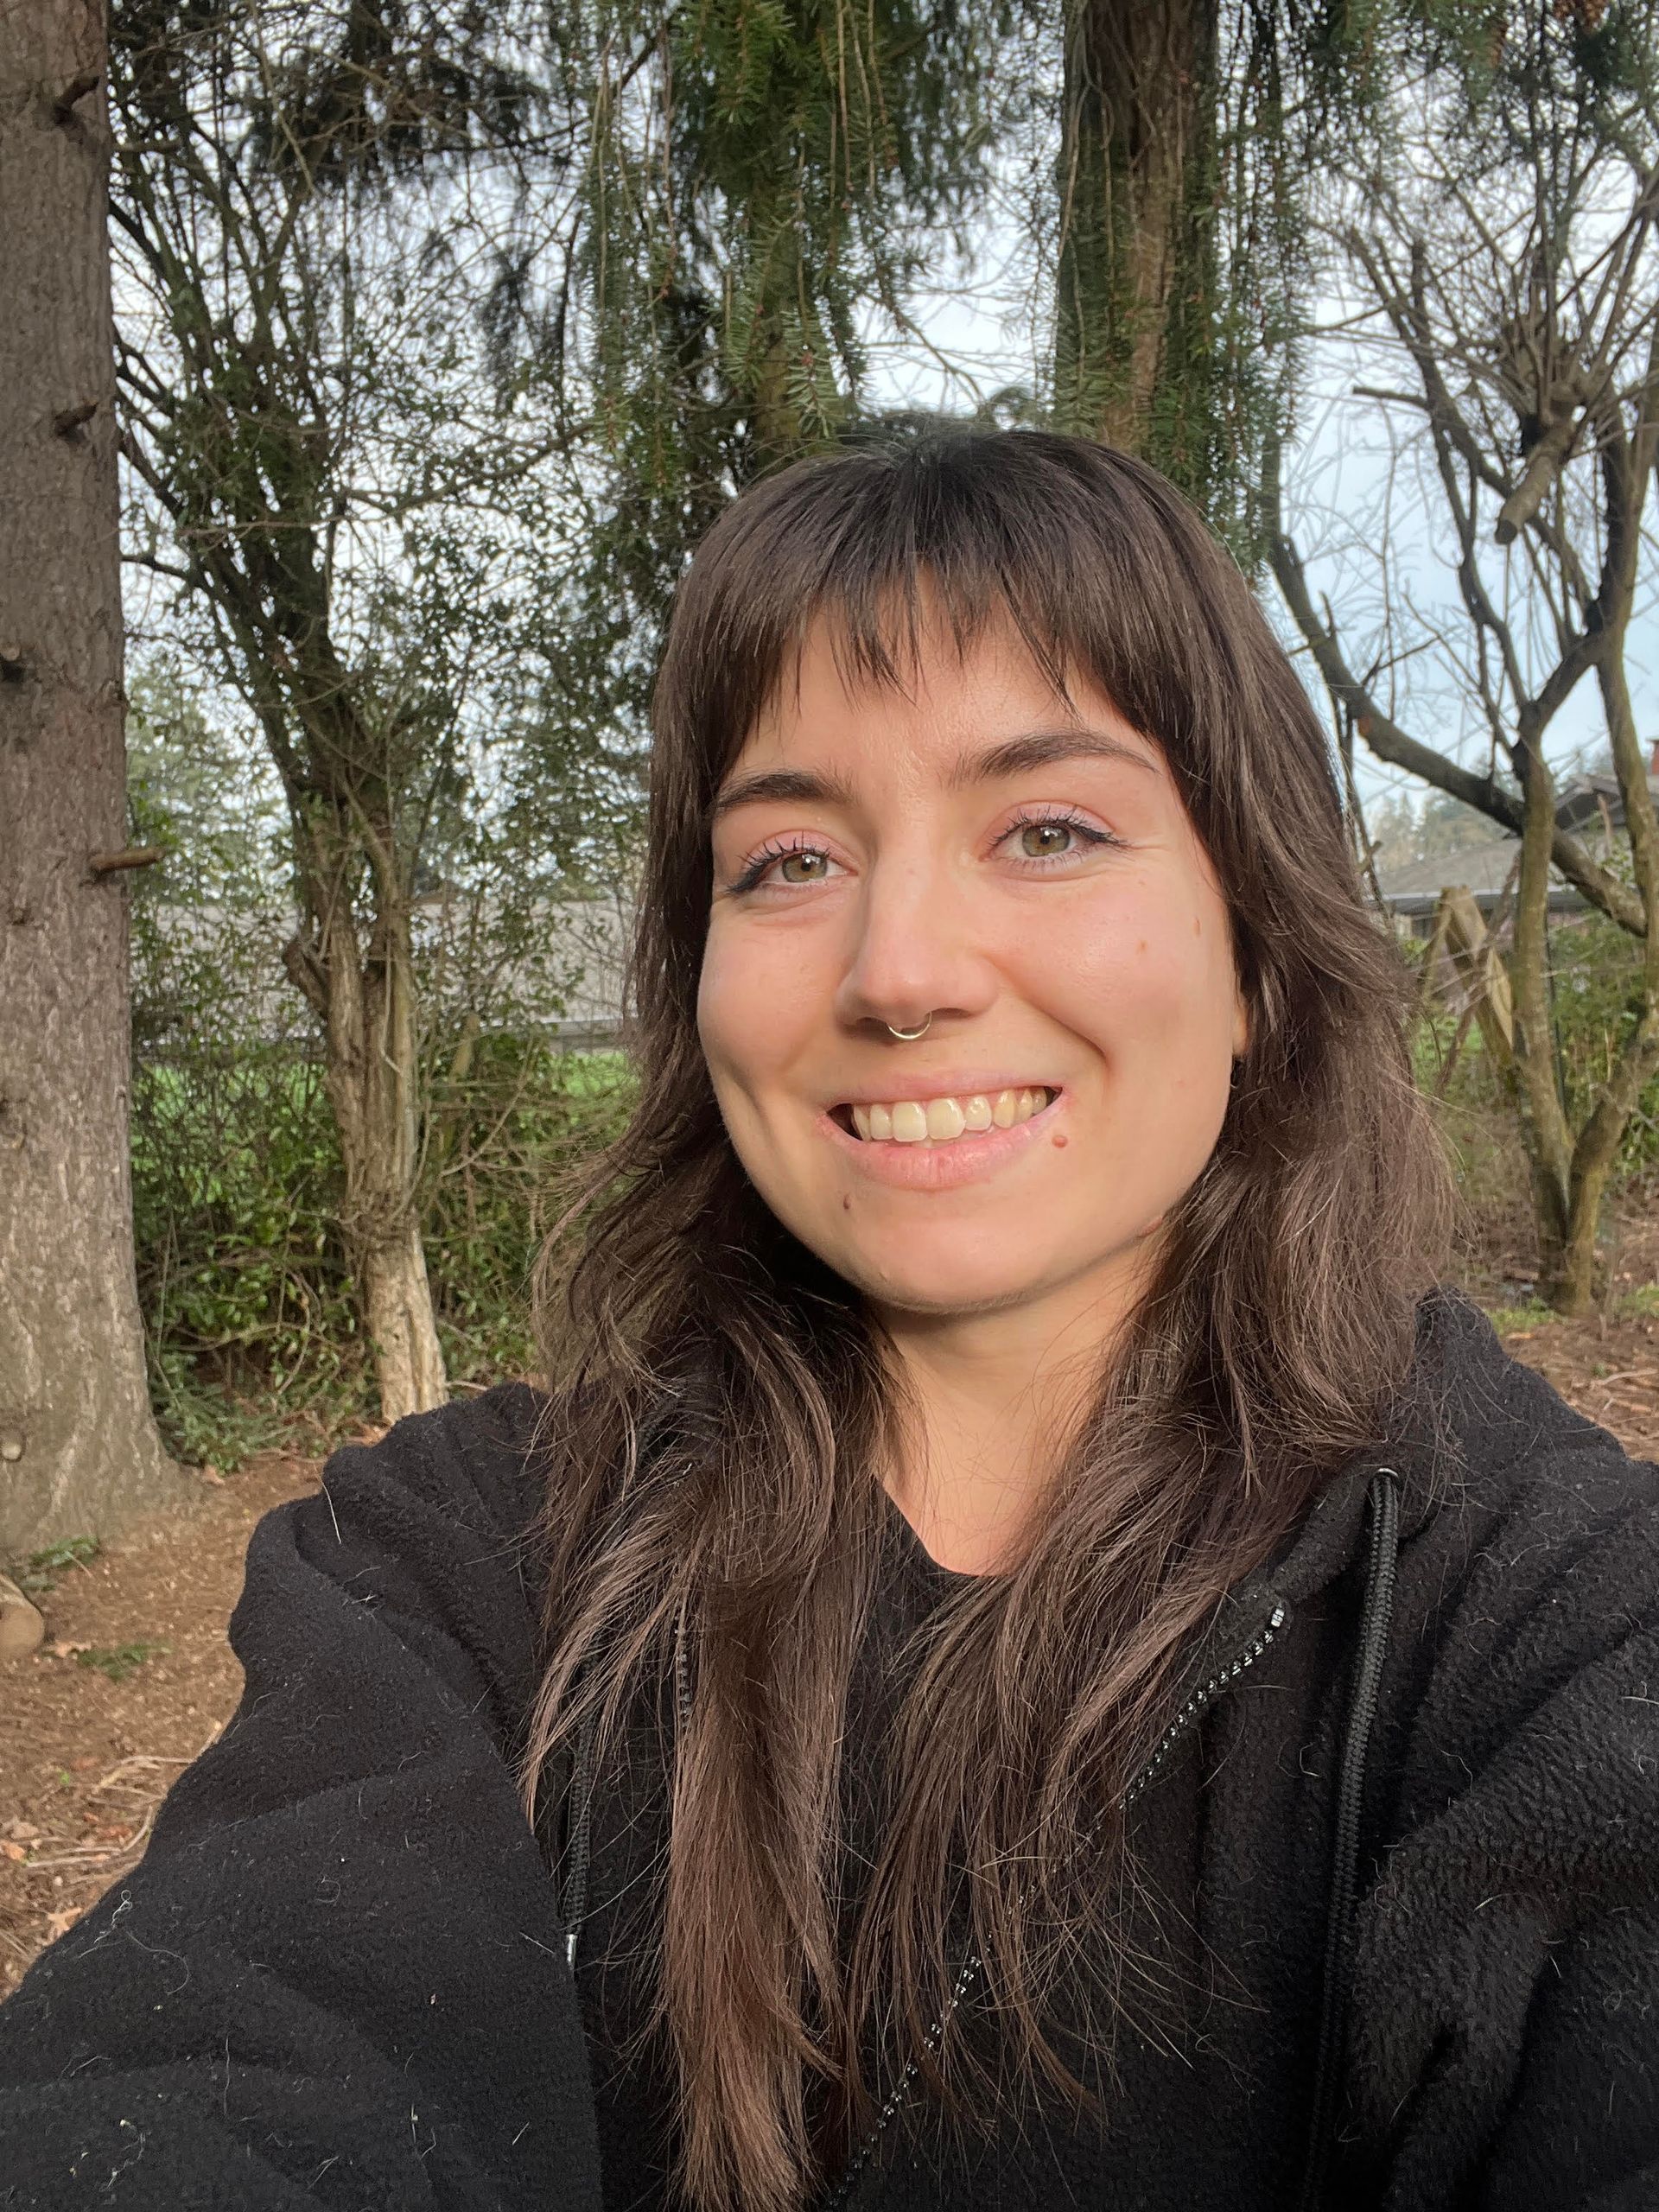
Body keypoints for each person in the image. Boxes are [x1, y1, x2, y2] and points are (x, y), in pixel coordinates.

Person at [2, 428, 1656, 2212]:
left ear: (1256, 947)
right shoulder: (468, 1571)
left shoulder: (1541, 1624)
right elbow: (216, 2062)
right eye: (789, 860)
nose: (899, 969)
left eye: (1046, 828)